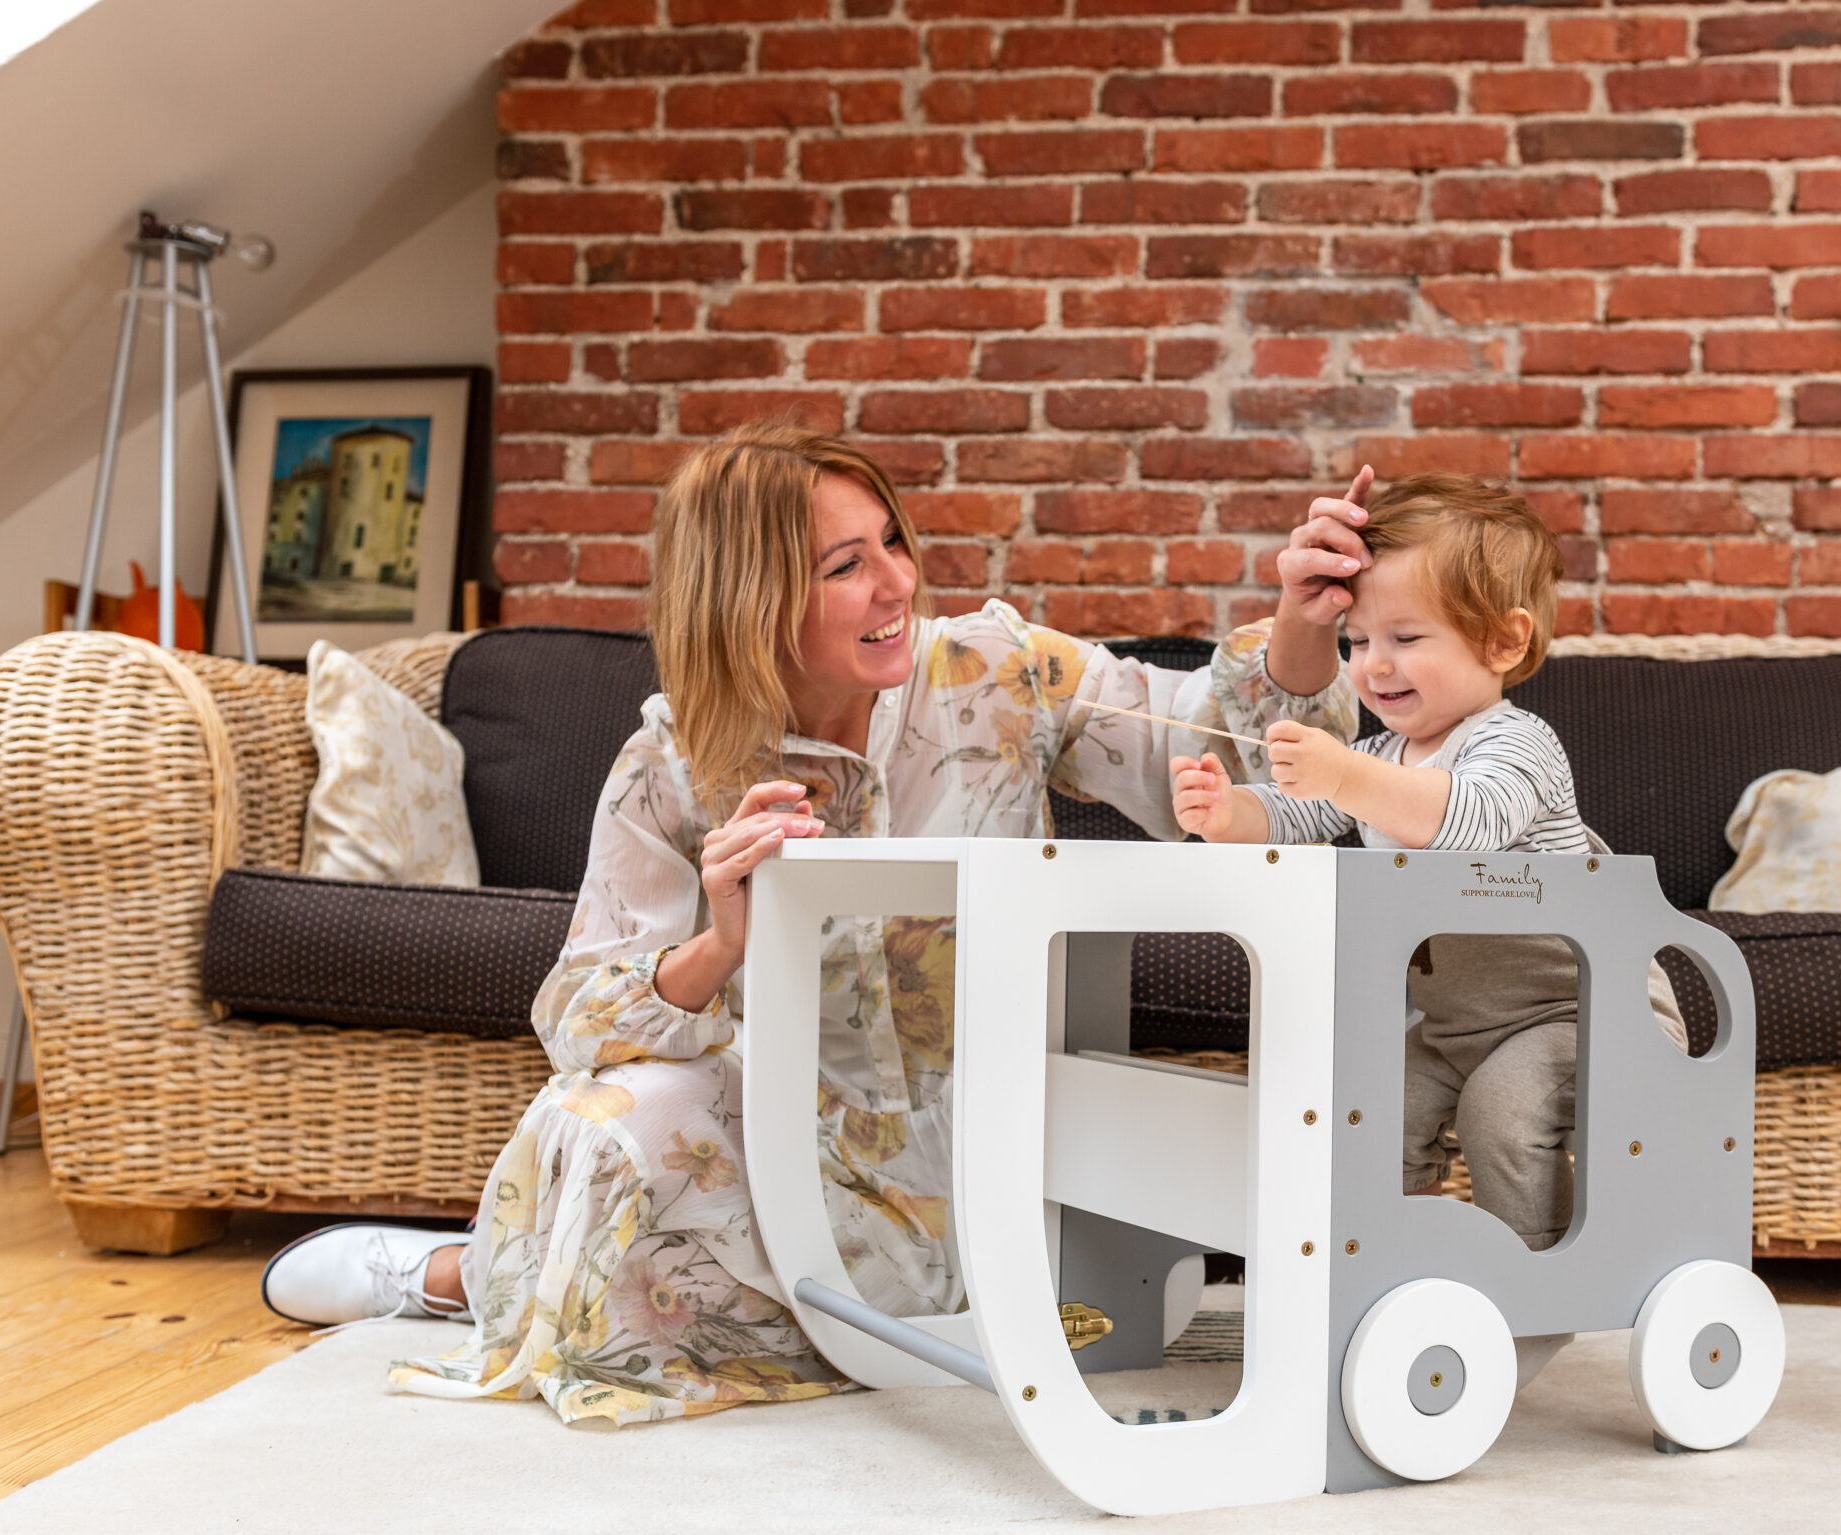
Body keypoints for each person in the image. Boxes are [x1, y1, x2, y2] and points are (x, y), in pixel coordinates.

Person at [260, 423, 1357, 1426]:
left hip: (998, 1129)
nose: (897, 582)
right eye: (845, 565)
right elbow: (579, 1018)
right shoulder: (674, 760)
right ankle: (459, 1276)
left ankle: (502, 1272)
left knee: (629, 1282)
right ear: (751, 597)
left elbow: (1203, 752)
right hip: (787, 1139)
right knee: (609, 1127)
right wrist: (723, 941)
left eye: (892, 542)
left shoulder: (997, 672)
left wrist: (1303, 630)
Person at [1171, 472, 1686, 1287]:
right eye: (1357, 641)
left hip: (1583, 1012)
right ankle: (1385, 1273)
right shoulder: (1381, 756)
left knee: (1502, 1111)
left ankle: (1534, 1284)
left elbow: (1464, 821)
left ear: (1503, 642)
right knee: (1369, 1109)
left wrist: (1344, 775)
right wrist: (1223, 810)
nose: (1374, 665)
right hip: (1455, 1024)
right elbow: (1292, 815)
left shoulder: (1517, 743)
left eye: (1406, 637)